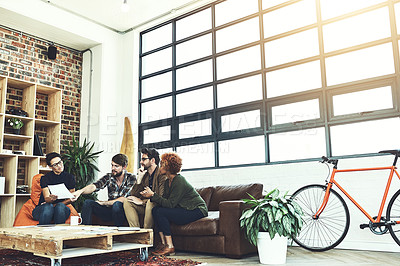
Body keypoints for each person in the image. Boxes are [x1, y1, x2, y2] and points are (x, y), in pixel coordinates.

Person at [140, 152, 208, 256]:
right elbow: (165, 201)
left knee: (161, 212)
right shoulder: (168, 182)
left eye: (162, 164)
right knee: (156, 210)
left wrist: (153, 195)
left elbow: (170, 204)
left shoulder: (179, 180)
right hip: (185, 209)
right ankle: (163, 244)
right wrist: (149, 196)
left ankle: (170, 246)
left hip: (197, 210)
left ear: (168, 167)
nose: (160, 167)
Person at [72, 153, 136, 226]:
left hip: (123, 211)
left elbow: (123, 199)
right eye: (112, 165)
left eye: (116, 166)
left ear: (124, 167)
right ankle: (85, 231)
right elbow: (94, 186)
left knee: (117, 205)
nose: (113, 168)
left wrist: (103, 203)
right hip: (109, 211)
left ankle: (118, 235)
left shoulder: (131, 178)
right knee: (88, 203)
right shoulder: (109, 177)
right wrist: (80, 191)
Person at [123, 147, 166, 229]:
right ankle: (135, 232)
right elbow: (133, 194)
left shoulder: (162, 175)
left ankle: (146, 233)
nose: (141, 162)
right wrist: (139, 179)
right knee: (127, 201)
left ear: (152, 160)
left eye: (143, 159)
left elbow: (161, 197)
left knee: (150, 202)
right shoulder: (145, 175)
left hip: (155, 204)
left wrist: (142, 202)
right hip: (145, 204)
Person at [32, 152, 75, 225]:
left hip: (61, 209)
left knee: (60, 206)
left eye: (60, 162)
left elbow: (72, 197)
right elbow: (46, 199)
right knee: (48, 206)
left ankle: (58, 233)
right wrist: (51, 199)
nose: (59, 166)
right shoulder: (45, 178)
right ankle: (42, 233)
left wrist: (57, 204)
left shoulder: (70, 177)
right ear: (50, 166)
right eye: (55, 165)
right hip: (43, 209)